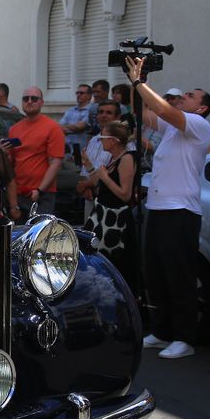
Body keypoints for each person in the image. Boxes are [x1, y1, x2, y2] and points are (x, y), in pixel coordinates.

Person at [124, 57, 210, 360]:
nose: (184, 97)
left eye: (190, 96)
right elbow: (144, 113)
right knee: (157, 273)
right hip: (160, 207)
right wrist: (133, 79)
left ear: (201, 108)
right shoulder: (174, 130)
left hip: (181, 211)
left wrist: (140, 82)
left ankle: (184, 337)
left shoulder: (199, 126)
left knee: (179, 275)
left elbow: (162, 108)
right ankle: (162, 331)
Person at [81, 119, 138, 295]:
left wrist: (104, 176)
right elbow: (100, 182)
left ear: (113, 140)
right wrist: (89, 165)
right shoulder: (113, 159)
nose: (100, 141)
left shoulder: (127, 158)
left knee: (118, 264)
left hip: (116, 223)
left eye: (103, 138)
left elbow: (125, 194)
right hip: (103, 218)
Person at [5, 85, 65, 218]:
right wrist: (4, 153)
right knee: (19, 235)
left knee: (40, 236)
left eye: (34, 98)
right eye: (26, 98)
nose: (29, 101)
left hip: (42, 195)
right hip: (19, 194)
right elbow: (11, 163)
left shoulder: (52, 128)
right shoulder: (14, 129)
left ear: (42, 102)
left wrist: (39, 191)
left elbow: (55, 163)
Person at [60, 84, 94, 163]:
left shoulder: (91, 110)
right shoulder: (70, 110)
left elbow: (79, 127)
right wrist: (71, 129)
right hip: (66, 151)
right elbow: (59, 127)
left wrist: (65, 129)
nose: (78, 95)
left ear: (89, 96)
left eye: (81, 93)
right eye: (77, 93)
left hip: (82, 153)